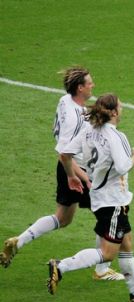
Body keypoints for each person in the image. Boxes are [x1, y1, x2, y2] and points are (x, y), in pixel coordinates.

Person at [0, 67, 124, 281]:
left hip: (68, 167)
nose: (93, 85)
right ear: (80, 87)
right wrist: (74, 176)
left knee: (63, 217)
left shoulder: (65, 101)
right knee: (108, 213)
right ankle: (102, 270)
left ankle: (19, 241)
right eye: (89, 83)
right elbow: (64, 153)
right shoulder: (75, 119)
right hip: (75, 169)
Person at [47, 93, 134, 302]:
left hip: (98, 197)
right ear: (114, 112)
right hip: (113, 201)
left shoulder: (89, 131)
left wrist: (72, 176)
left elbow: (65, 154)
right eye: (121, 106)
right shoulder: (116, 136)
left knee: (126, 241)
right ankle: (61, 266)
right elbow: (122, 166)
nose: (123, 109)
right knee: (108, 253)